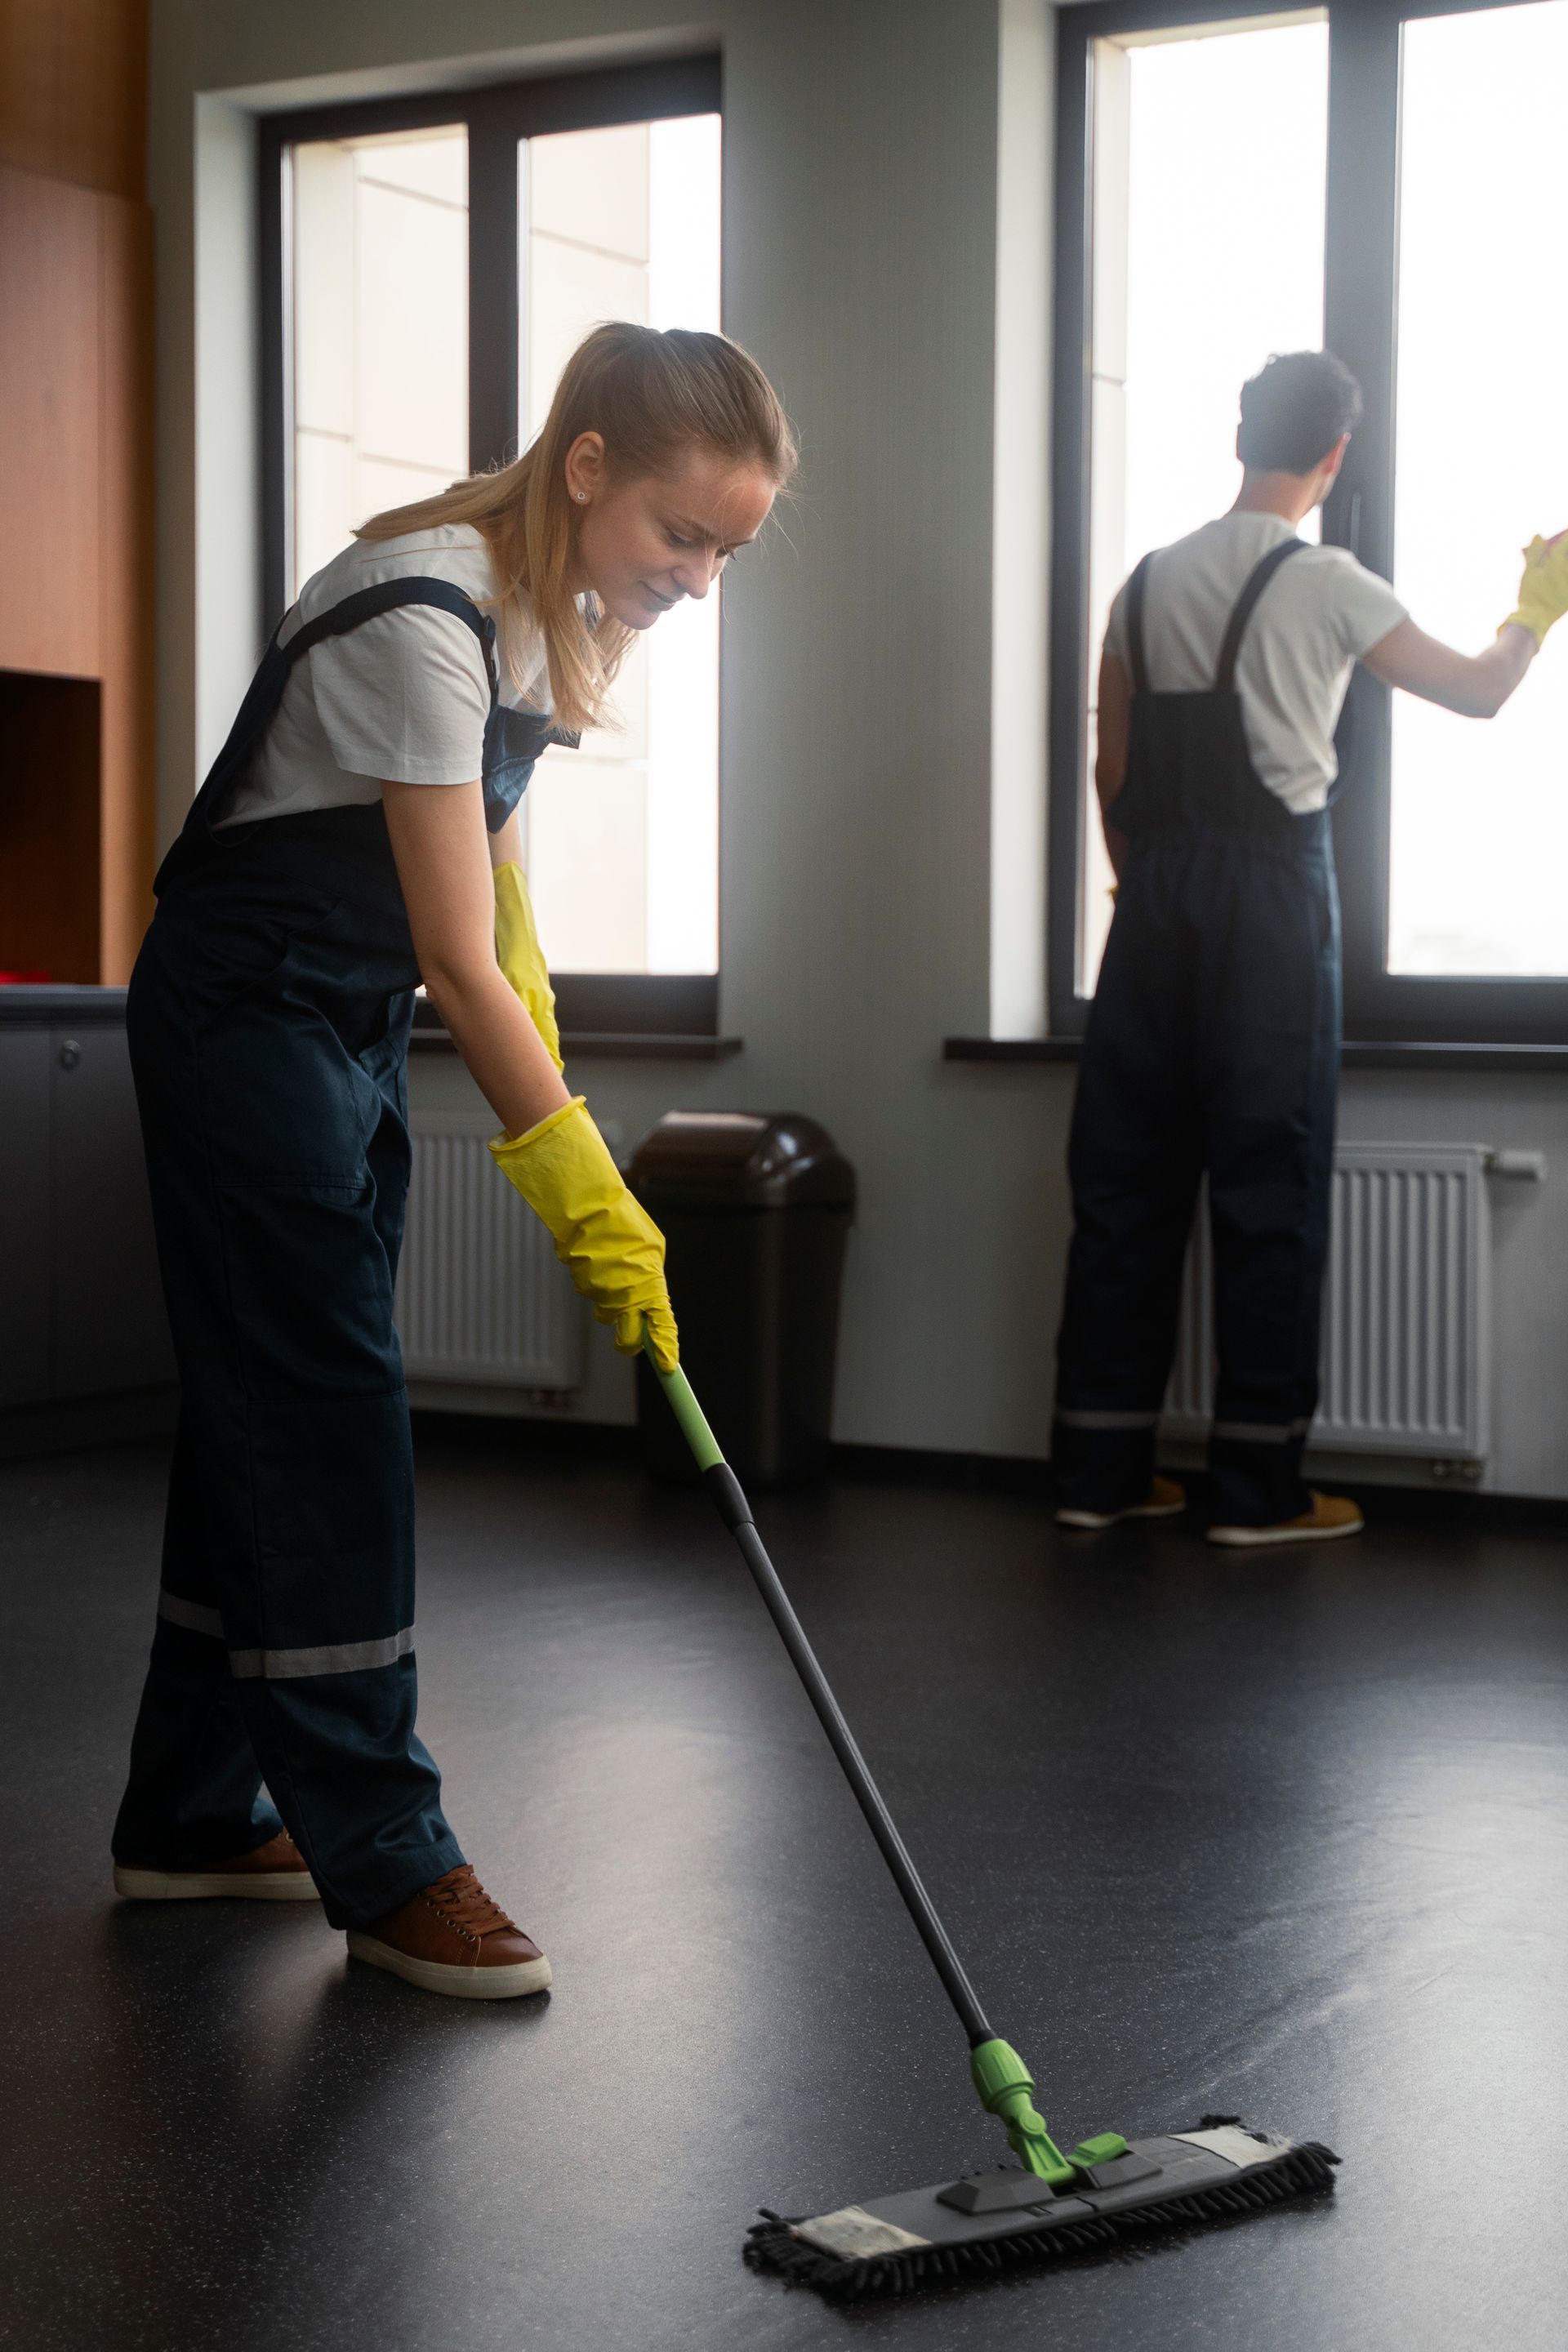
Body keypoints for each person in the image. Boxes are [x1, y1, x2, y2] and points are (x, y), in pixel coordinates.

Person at [111, 324, 795, 1997]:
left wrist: (546, 1033)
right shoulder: (418, 609)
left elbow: (495, 897)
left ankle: (192, 1816)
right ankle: (390, 1854)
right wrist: (580, 1182)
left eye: (728, 551)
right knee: (333, 1412)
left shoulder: (531, 620)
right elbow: (454, 952)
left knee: (266, 1405)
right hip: (243, 1010)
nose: (699, 578)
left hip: (334, 1018)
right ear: (587, 472)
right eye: (681, 535)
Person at [1053, 350, 1568, 1548]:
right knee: (1267, 1187)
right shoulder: (1328, 581)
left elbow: (1111, 773)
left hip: (1153, 907)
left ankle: (1098, 1469)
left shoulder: (1143, 583)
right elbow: (1482, 692)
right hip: (1269, 911)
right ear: (1334, 459)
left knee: (1123, 1188)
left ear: (1242, 440)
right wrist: (1534, 603)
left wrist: (1145, 888)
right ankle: (1257, 1490)